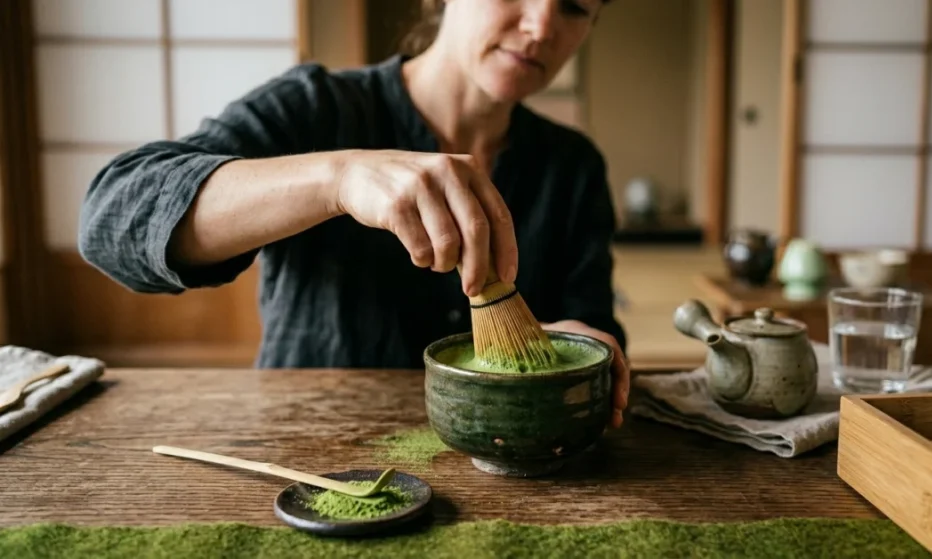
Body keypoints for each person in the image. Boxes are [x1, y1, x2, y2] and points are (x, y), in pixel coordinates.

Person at [78, 0, 630, 427]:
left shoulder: (572, 166)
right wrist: (336, 178)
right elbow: (111, 218)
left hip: (504, 476)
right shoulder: (316, 108)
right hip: (306, 458)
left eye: (576, 5)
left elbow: (590, 318)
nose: (541, 25)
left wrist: (591, 345)